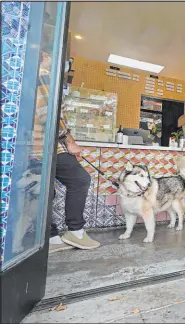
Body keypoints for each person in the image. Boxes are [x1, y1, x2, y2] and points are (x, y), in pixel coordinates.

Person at [36, 51, 100, 253]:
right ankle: (76, 231)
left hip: (33, 148)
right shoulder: (43, 74)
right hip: (45, 145)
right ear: (45, 56)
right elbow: (50, 114)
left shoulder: (29, 75)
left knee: (46, 191)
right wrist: (69, 142)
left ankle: (52, 237)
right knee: (80, 179)